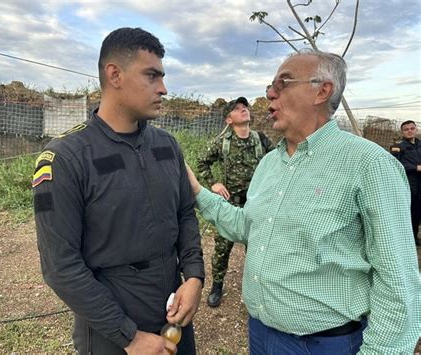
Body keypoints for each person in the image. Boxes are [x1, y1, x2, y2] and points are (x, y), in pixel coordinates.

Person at [186, 50, 421, 354]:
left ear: (322, 91)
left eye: (283, 83)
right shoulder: (270, 163)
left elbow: (397, 281)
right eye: (270, 86)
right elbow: (248, 226)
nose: (269, 93)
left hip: (324, 344)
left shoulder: (369, 164)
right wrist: (196, 191)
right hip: (260, 334)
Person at [33, 27, 205, 355]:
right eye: (152, 76)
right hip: (112, 328)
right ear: (115, 75)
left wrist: (194, 276)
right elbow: (60, 265)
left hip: (174, 316)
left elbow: (185, 213)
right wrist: (129, 337)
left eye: (162, 76)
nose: (164, 88)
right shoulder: (66, 157)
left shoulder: (167, 146)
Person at [196, 97, 273, 307]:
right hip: (230, 205)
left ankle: (256, 289)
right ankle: (217, 286)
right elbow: (202, 162)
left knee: (257, 249)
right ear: (228, 120)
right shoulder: (223, 142)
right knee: (222, 249)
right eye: (237, 109)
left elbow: (277, 162)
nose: (243, 110)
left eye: (244, 107)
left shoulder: (261, 140)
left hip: (255, 205)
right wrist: (214, 183)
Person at [390, 120, 421, 246]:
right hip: (409, 183)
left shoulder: (420, 145)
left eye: (412, 128)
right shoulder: (398, 147)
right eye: (406, 129)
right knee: (410, 211)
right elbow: (396, 165)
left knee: (418, 211)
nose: (409, 131)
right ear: (402, 132)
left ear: (416, 130)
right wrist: (415, 168)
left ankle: (415, 236)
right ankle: (409, 238)